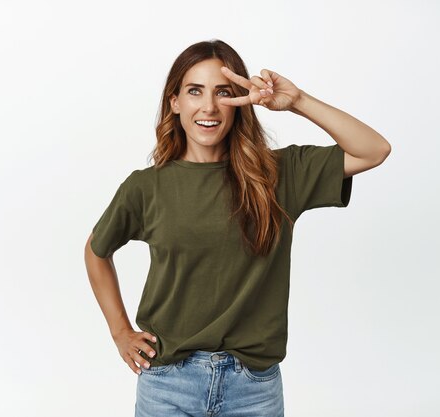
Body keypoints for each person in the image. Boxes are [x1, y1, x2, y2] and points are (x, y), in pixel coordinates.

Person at [83, 39, 391, 417]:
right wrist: (120, 332)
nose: (209, 107)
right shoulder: (146, 187)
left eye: (223, 93)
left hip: (253, 389)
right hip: (168, 384)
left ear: (240, 102)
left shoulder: (278, 175)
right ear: (175, 102)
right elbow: (97, 251)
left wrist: (298, 101)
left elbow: (373, 150)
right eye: (195, 91)